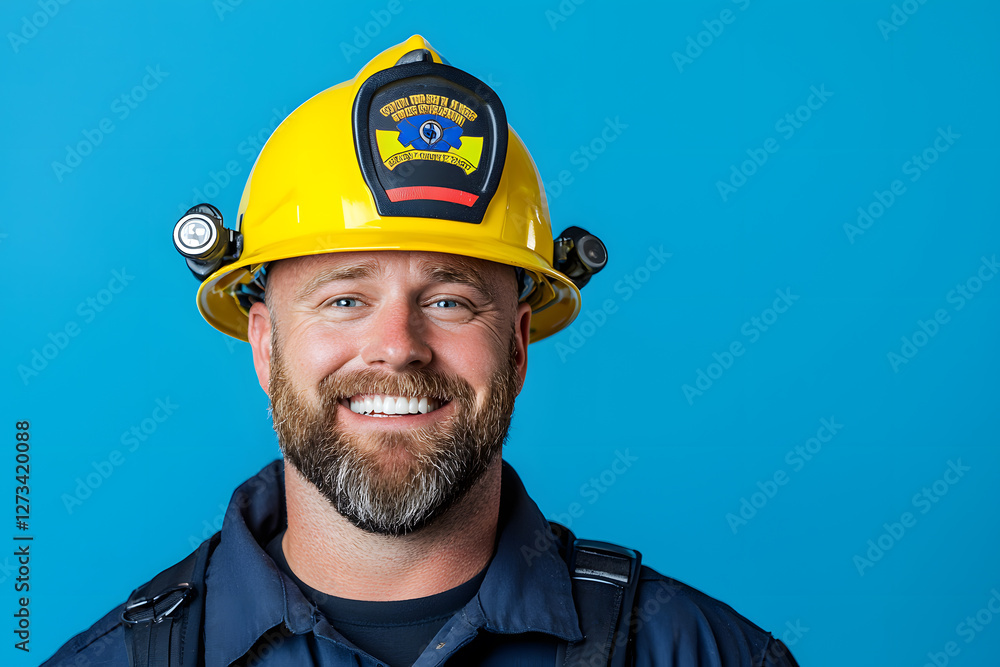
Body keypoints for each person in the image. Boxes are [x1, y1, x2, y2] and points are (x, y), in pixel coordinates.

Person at [43, 35, 800, 667]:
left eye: (449, 301)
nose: (398, 348)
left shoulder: (698, 653)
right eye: (345, 299)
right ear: (265, 345)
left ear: (518, 346)